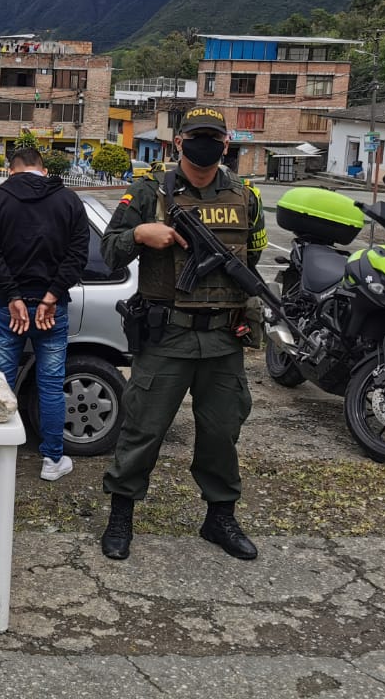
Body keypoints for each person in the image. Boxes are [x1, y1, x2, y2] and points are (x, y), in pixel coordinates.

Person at [98, 107, 267, 561]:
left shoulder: (246, 197)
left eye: (214, 137)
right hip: (166, 337)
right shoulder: (148, 191)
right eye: (197, 136)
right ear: (178, 142)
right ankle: (121, 515)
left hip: (222, 339)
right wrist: (141, 235)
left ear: (226, 144)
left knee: (221, 433)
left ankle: (220, 517)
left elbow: (252, 258)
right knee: (142, 431)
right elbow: (108, 252)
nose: (205, 143)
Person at [0, 147, 89, 481]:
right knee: (50, 385)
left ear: (12, 169)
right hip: (52, 311)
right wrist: (51, 297)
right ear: (42, 166)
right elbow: (78, 255)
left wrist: (14, 297)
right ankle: (53, 460)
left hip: (9, 310)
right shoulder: (69, 201)